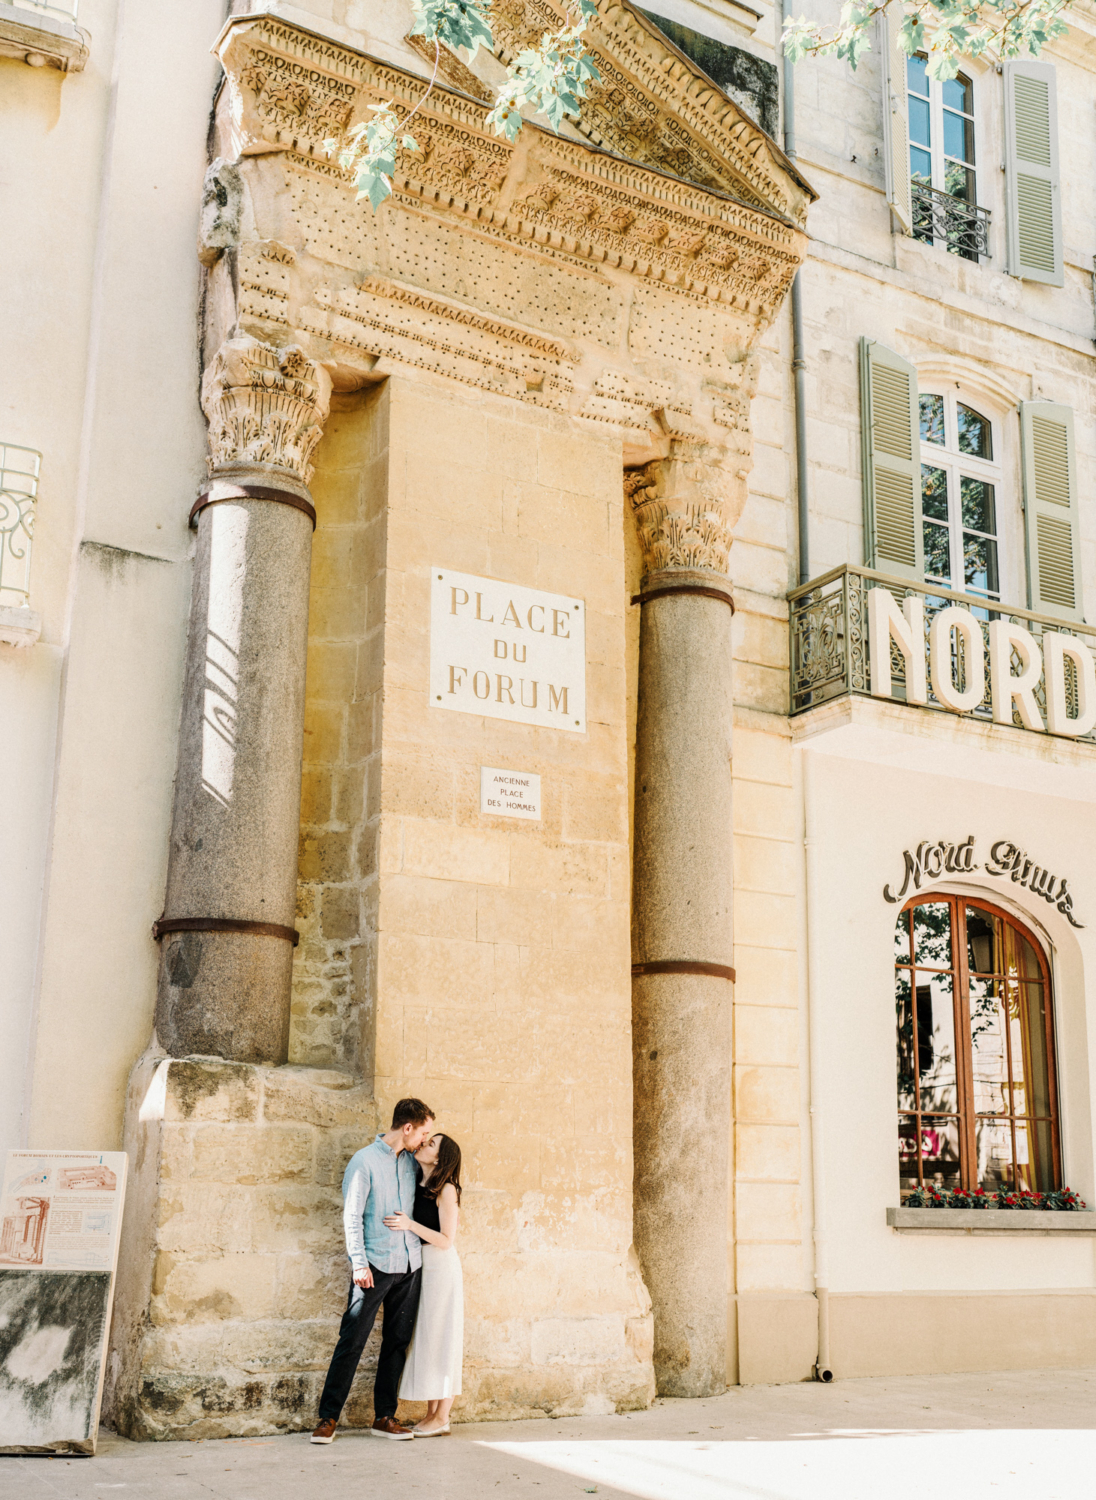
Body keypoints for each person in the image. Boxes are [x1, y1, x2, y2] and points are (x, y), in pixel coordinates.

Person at [310, 1098, 435, 1444]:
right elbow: (352, 1216)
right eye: (423, 1132)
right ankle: (328, 1417)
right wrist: (359, 1263)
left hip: (409, 1265)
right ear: (407, 1128)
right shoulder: (363, 1162)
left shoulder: (413, 1164)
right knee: (352, 1340)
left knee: (397, 1343)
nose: (425, 1140)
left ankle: (384, 1417)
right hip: (374, 1266)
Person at [384, 1132, 464, 1437]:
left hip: (442, 1268)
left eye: (432, 1144)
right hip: (423, 1266)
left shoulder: (447, 1190)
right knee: (428, 1338)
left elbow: (447, 1239)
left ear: (440, 1158)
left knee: (444, 1337)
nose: (425, 1144)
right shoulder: (420, 1182)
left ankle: (443, 1415)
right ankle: (431, 1413)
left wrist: (409, 1224)